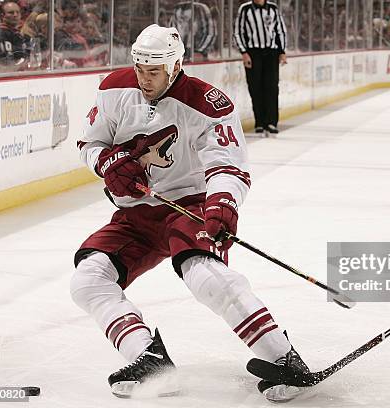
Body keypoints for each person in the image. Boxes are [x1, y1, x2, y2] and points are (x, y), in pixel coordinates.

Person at [72, 24, 308, 402]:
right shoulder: (114, 88)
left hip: (190, 205)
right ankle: (147, 357)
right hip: (136, 214)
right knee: (87, 281)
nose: (145, 79)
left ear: (176, 65)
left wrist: (223, 204)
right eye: (140, 69)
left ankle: (284, 359)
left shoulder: (207, 103)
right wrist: (107, 161)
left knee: (205, 275)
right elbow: (90, 141)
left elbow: (228, 165)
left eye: (154, 71)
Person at [234, 0, 287, 137]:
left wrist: (282, 52)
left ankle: (271, 122)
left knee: (272, 87)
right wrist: (244, 53)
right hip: (253, 53)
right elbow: (238, 32)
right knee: (255, 87)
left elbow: (280, 30)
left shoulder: (273, 8)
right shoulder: (245, 9)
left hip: (271, 53)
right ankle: (259, 122)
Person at [0, 1, 28, 69]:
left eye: (18, 12)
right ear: (2, 15)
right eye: (11, 12)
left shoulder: (21, 34)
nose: (15, 15)